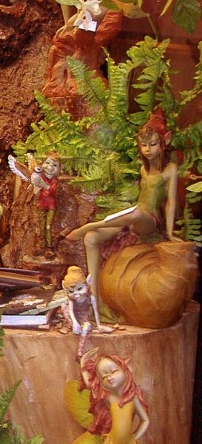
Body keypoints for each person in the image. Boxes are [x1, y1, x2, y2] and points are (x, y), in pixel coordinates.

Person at [66, 110, 178, 308]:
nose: (148, 150)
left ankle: (90, 225)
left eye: (153, 144)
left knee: (136, 213)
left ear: (165, 141)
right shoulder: (143, 169)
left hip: (150, 221)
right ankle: (95, 299)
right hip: (133, 218)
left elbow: (170, 203)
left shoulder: (170, 169)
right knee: (91, 238)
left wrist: (170, 232)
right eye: (144, 145)